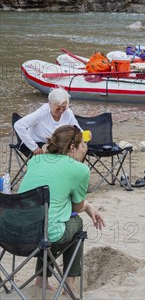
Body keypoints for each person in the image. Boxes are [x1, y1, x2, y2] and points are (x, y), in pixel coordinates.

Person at [18, 125, 104, 292]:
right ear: (72, 147)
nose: (83, 149)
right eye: (82, 146)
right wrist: (88, 206)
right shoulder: (80, 169)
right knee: (74, 223)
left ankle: (41, 280)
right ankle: (68, 285)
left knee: (44, 219)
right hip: (43, 237)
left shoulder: (35, 160)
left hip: (12, 235)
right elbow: (77, 207)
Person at [14, 87, 81, 156]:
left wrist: (85, 135)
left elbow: (78, 130)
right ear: (50, 103)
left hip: (57, 145)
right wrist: (34, 148)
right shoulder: (42, 112)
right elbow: (19, 125)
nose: (61, 110)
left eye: (64, 108)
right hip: (37, 143)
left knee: (80, 148)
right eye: (58, 108)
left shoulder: (68, 112)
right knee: (55, 153)